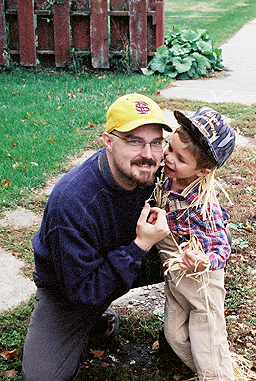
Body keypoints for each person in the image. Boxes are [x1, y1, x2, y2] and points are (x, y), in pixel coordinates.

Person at [22, 93, 172, 381]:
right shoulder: (72, 201)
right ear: (108, 142)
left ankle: (181, 338)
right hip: (71, 286)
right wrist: (141, 245)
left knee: (197, 252)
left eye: (156, 142)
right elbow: (82, 292)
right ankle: (91, 318)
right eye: (133, 141)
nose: (148, 154)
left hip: (126, 257)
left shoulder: (157, 172)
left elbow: (203, 164)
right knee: (43, 377)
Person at [154, 107, 236, 380]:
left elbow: (222, 249)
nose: (168, 157)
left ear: (201, 171)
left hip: (202, 278)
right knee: (175, 335)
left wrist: (203, 260)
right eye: (169, 148)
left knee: (208, 339)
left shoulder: (204, 206)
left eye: (180, 157)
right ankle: (209, 371)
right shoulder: (168, 179)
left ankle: (218, 375)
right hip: (177, 272)